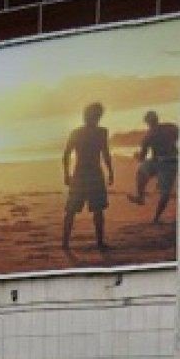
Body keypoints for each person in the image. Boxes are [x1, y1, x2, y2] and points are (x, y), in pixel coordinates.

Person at [62, 103, 116, 250]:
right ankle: (67, 243)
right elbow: (66, 154)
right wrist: (66, 174)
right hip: (87, 174)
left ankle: (69, 243)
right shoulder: (98, 132)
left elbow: (105, 153)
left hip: (86, 174)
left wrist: (110, 171)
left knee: (89, 210)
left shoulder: (95, 132)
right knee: (76, 210)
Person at [130, 110, 180, 224]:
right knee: (141, 171)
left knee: (165, 192)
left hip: (168, 162)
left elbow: (142, 157)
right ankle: (141, 197)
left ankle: (156, 217)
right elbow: (177, 136)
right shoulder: (170, 127)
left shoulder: (151, 134)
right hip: (159, 160)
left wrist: (137, 156)